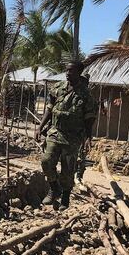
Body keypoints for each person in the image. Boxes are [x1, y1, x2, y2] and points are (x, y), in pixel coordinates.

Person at [35, 61, 97, 210]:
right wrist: (40, 127)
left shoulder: (85, 94)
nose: (68, 73)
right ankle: (54, 187)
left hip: (73, 137)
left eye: (72, 70)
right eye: (67, 70)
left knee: (68, 169)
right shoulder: (57, 88)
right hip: (55, 132)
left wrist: (89, 137)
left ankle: (65, 198)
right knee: (46, 161)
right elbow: (49, 110)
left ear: (79, 72)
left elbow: (89, 118)